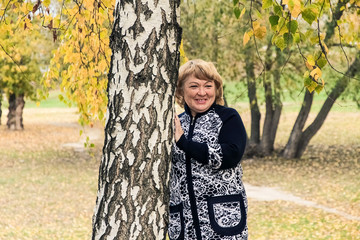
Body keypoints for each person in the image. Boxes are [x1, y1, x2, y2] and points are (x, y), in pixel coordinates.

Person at [169, 59, 248, 240]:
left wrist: (184, 142)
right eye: (194, 86)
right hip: (183, 225)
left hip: (222, 222)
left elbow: (230, 155)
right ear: (181, 90)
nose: (202, 92)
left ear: (216, 88)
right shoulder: (175, 122)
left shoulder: (228, 117)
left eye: (208, 86)